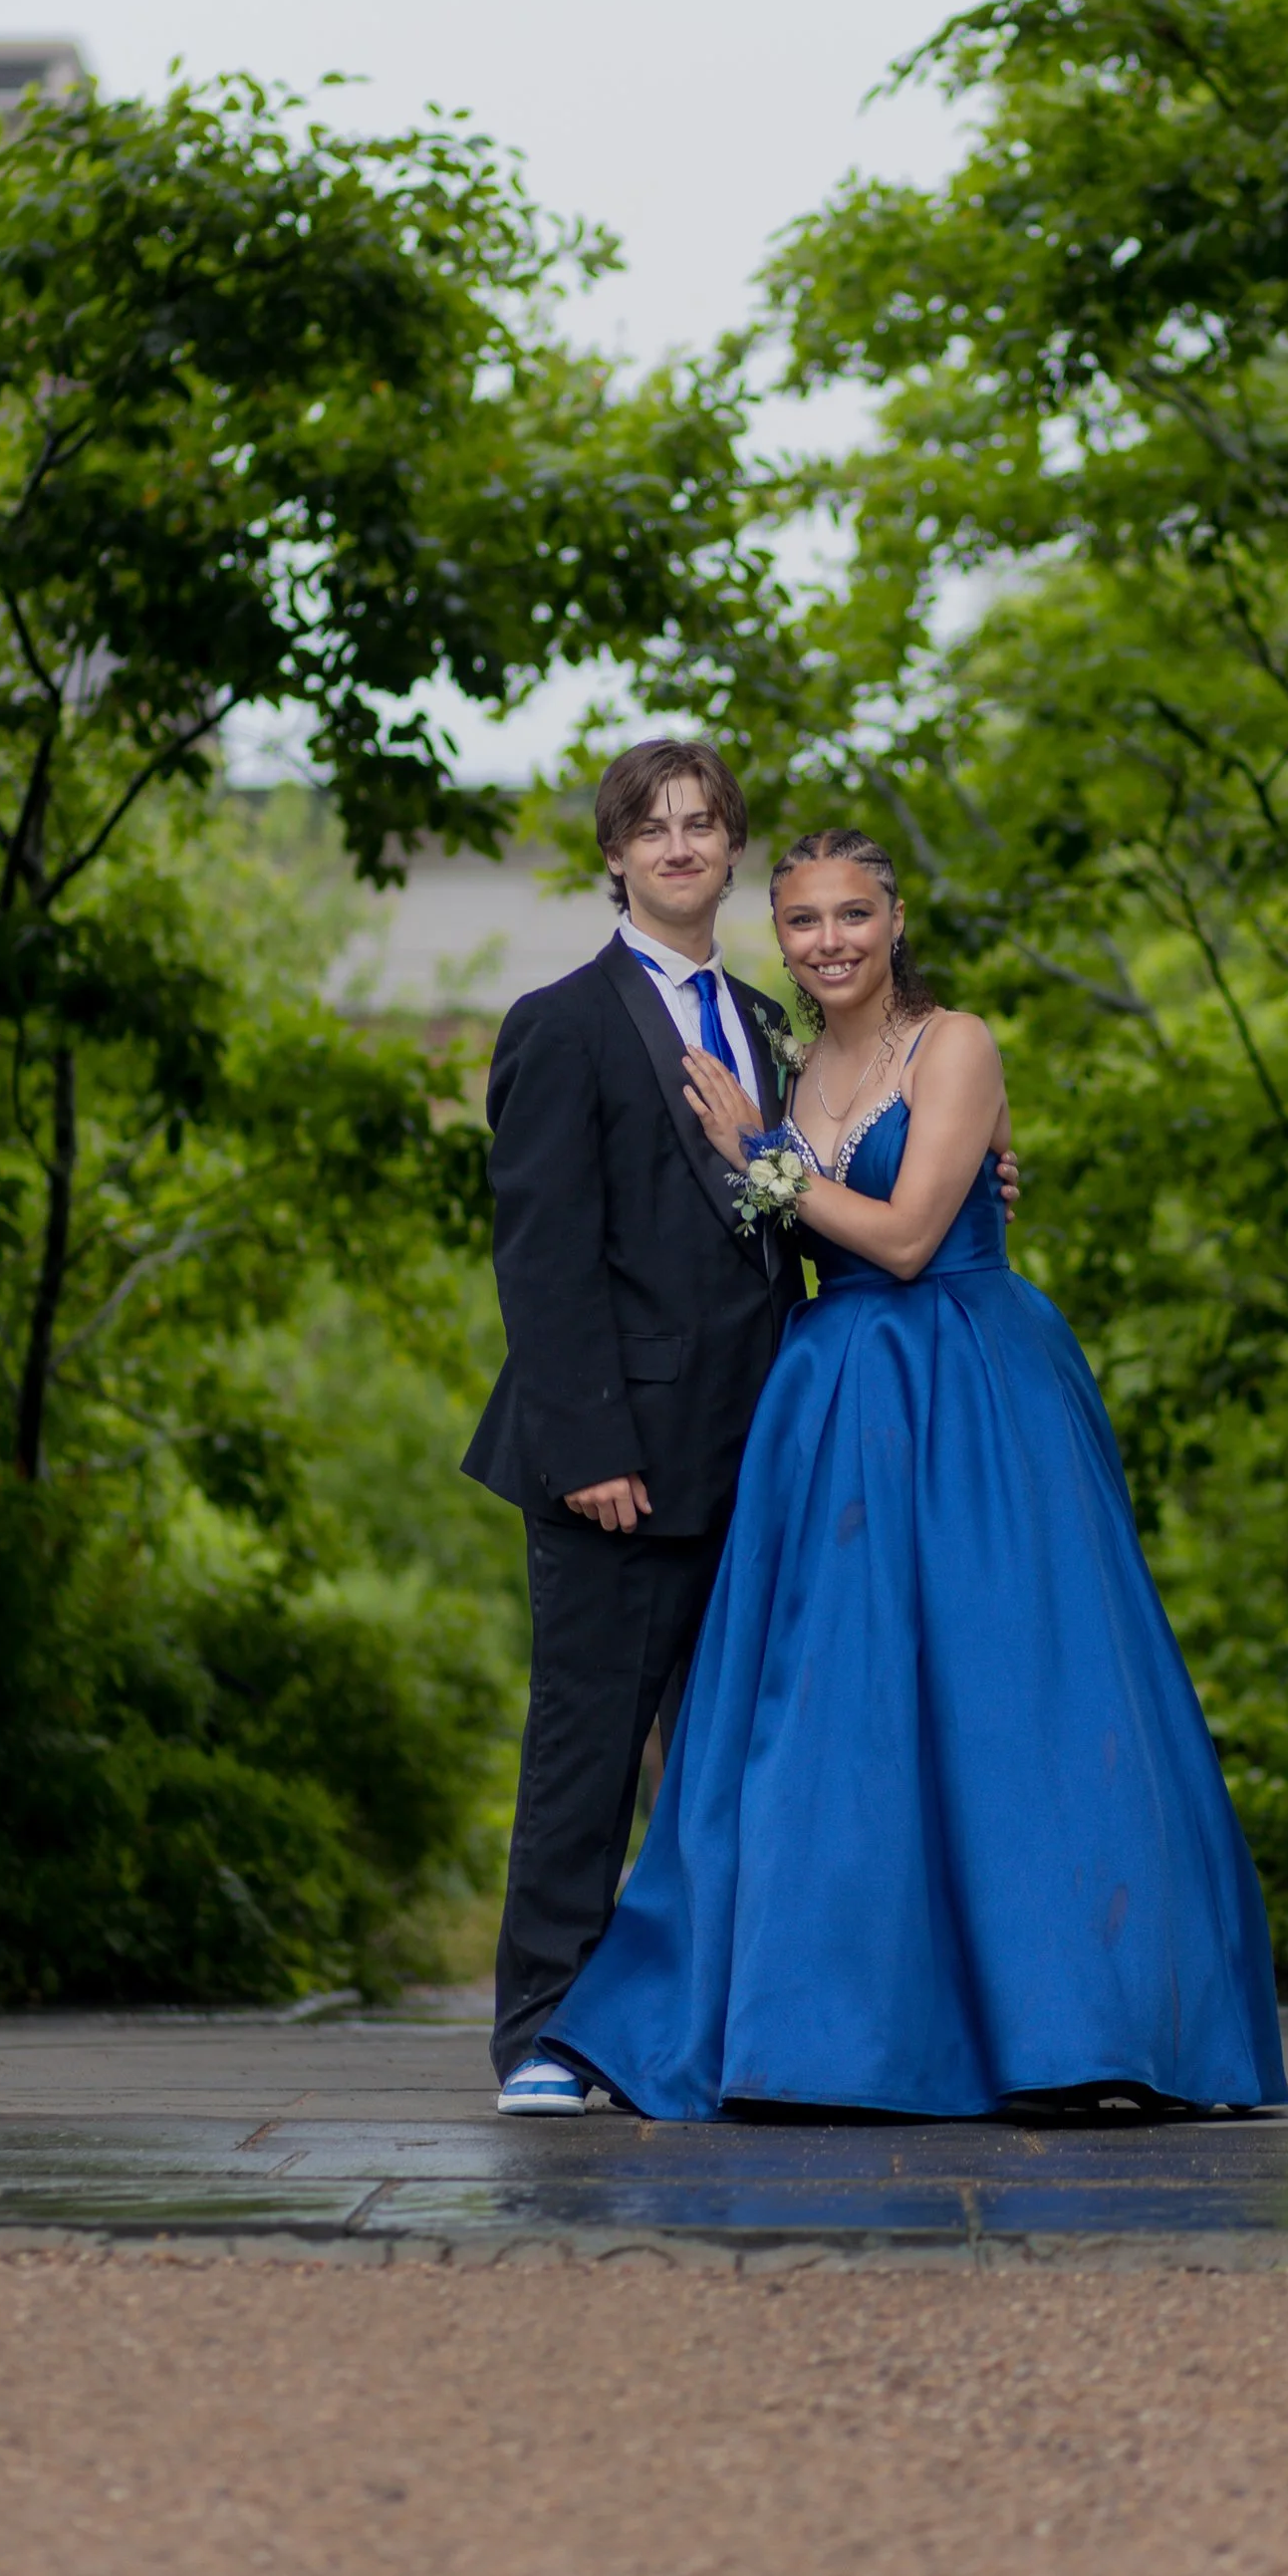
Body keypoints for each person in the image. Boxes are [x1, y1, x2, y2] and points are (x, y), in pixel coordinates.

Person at [543, 826, 1288, 2122]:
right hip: (832, 1400)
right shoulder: (780, 1053)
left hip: (972, 1390)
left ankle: (1080, 2029)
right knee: (836, 1718)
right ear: (777, 935)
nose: (829, 940)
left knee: (1015, 1699)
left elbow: (900, 1236)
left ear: (894, 922)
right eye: (803, 921)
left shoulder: (958, 1042)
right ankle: (826, 2034)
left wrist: (762, 1157)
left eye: (853, 915)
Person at [462, 741, 809, 2113]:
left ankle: (685, 2024)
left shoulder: (770, 1025)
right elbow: (542, 1257)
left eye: (703, 822)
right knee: (588, 1751)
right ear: (614, 854)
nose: (678, 845)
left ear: (732, 850)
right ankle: (542, 2031)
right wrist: (589, 1441)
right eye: (650, 826)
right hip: (615, 1456)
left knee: (729, 1757)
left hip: (760, 1450)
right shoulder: (562, 1022)